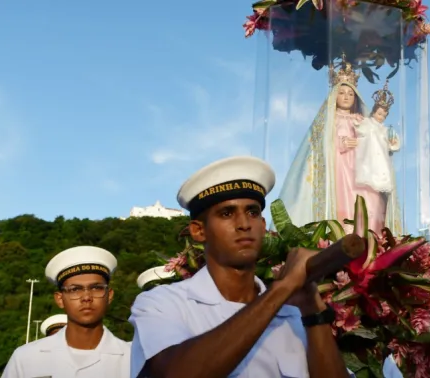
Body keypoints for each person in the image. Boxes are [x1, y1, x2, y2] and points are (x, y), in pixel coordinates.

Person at [129, 155, 352, 378]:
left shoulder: (294, 317)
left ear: (263, 226)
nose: (244, 224)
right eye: (227, 213)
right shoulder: (163, 303)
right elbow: (174, 373)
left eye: (253, 213)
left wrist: (313, 310)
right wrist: (283, 288)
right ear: (198, 231)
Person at [279, 53, 402, 235]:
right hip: (340, 168)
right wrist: (340, 142)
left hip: (364, 170)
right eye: (342, 93)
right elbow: (319, 145)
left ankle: (370, 239)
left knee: (370, 203)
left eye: (350, 93)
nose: (346, 97)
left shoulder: (362, 119)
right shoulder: (328, 120)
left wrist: (388, 141)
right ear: (334, 94)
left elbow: (377, 138)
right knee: (344, 204)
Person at [2, 246, 131, 378]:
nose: (86, 297)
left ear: (109, 295)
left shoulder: (133, 360)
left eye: (96, 288)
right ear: (60, 299)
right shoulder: (26, 358)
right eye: (75, 289)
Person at [353, 80, 401, 234]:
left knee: (379, 193)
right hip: (369, 160)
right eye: (379, 113)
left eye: (384, 115)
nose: (381, 117)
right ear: (374, 111)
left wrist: (393, 143)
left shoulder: (385, 130)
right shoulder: (367, 123)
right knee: (368, 189)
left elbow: (393, 144)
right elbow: (358, 129)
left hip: (382, 162)